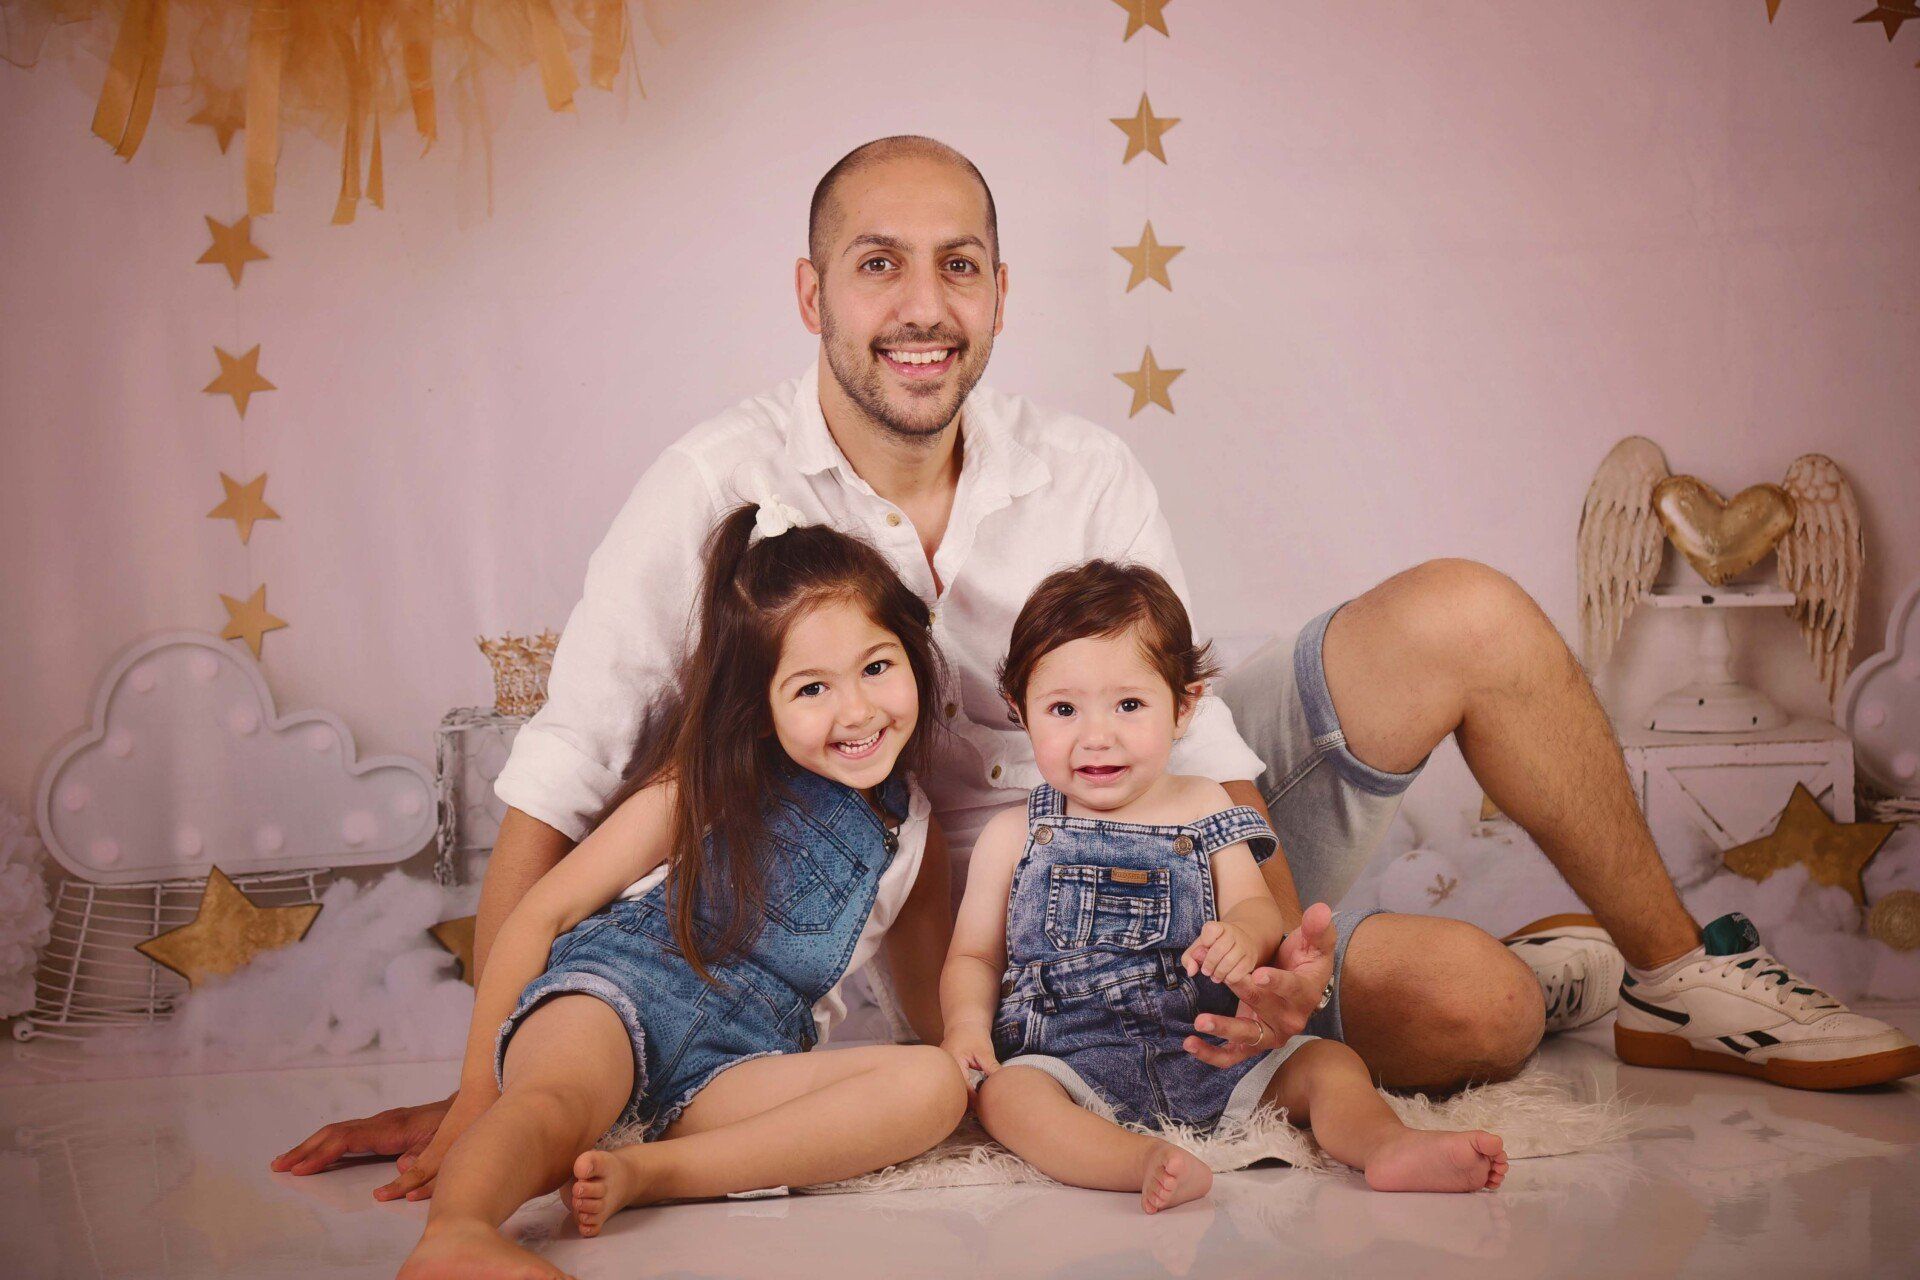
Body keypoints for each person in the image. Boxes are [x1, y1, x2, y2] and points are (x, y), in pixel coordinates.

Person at [276, 132, 1917, 1198]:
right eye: (878, 264)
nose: (922, 305)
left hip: (1156, 819)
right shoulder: (716, 487)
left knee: (1470, 609)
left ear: (999, 296)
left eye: (959, 265)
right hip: (979, 910)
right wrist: (497, 1085)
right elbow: (565, 777)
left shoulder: (1085, 470)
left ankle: (1679, 975)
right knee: (1475, 1008)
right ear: (812, 293)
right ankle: (1557, 977)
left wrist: (1268, 956)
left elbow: (1194, 750)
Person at [395, 505, 966, 1279]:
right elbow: (545, 910)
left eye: (876, 667)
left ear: (914, 656)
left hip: (738, 1062)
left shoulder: (916, 837)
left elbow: (935, 1021)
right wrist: (475, 1092)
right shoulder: (707, 783)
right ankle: (457, 1233)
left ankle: (651, 1173)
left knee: (933, 1086)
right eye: (811, 688)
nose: (858, 710)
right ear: (760, 707)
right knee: (555, 1106)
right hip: (615, 995)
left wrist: (996, 1059)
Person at [945, 561, 1507, 1213]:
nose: (1096, 737)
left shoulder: (1206, 804)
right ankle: (1136, 1162)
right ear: (1020, 711)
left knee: (1329, 1064)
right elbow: (975, 956)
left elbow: (1255, 906)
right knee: (1008, 1099)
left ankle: (1386, 1144)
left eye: (1129, 705)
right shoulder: (1013, 835)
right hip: (1067, 1059)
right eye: (1063, 709)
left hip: (1208, 1049)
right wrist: (965, 1027)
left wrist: (1243, 933)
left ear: (1184, 706)